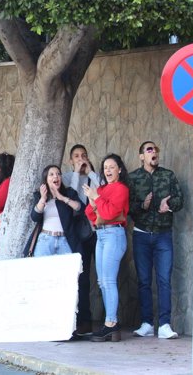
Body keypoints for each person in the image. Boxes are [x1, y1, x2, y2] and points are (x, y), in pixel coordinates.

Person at [129, 141, 184, 339]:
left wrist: (167, 206)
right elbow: (128, 207)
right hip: (141, 234)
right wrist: (142, 205)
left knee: (163, 280)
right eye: (149, 150)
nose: (154, 152)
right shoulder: (133, 178)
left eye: (156, 150)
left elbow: (180, 200)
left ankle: (165, 325)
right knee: (144, 281)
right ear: (142, 156)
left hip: (163, 235)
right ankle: (146, 324)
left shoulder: (167, 175)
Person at [83, 154, 130, 342]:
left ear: (119, 169)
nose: (108, 170)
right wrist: (96, 203)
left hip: (114, 234)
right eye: (105, 167)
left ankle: (111, 323)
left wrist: (96, 199)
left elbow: (110, 213)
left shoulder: (122, 189)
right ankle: (110, 323)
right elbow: (90, 213)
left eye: (112, 167)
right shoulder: (101, 188)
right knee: (102, 281)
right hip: (101, 234)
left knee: (108, 280)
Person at [62, 144, 100, 336]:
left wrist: (91, 172)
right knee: (82, 277)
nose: (80, 158)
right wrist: (77, 173)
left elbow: (101, 190)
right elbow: (72, 194)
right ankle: (83, 320)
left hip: (96, 231)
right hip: (78, 233)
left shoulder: (94, 177)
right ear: (71, 160)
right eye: (76, 156)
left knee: (101, 276)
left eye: (83, 155)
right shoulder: (68, 177)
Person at [30, 165, 82, 257]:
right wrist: (43, 199)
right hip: (45, 239)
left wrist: (62, 198)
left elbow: (79, 207)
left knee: (68, 270)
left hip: (65, 239)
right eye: (51, 174)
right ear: (46, 179)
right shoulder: (39, 195)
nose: (56, 176)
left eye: (58, 174)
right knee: (42, 270)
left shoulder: (69, 192)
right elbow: (34, 217)